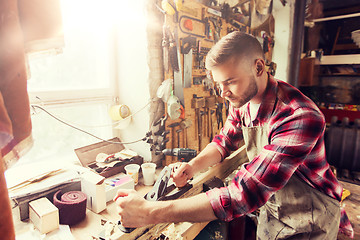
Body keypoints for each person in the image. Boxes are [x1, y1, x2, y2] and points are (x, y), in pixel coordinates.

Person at [114, 31, 353, 239]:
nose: (223, 93)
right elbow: (224, 141)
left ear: (259, 67)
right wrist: (193, 166)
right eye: (219, 84)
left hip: (311, 216)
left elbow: (243, 194)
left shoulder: (299, 116)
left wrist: (148, 213)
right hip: (274, 206)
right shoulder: (241, 101)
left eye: (229, 82)